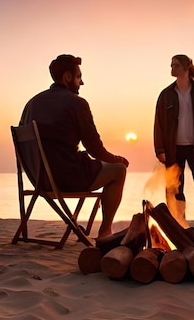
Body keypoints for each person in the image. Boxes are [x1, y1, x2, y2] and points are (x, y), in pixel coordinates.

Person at [20, 54, 129, 238]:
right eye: (79, 76)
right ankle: (105, 231)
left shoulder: (31, 103)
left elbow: (22, 149)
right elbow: (95, 149)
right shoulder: (77, 104)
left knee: (96, 163)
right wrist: (118, 160)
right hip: (66, 178)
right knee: (118, 171)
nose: (82, 82)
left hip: (38, 180)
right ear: (67, 77)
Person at [154, 54, 194, 230]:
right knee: (174, 187)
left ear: (185, 67)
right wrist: (159, 149)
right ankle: (178, 220)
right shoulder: (166, 94)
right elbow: (158, 123)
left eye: (175, 65)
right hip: (172, 148)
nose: (171, 69)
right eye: (171, 65)